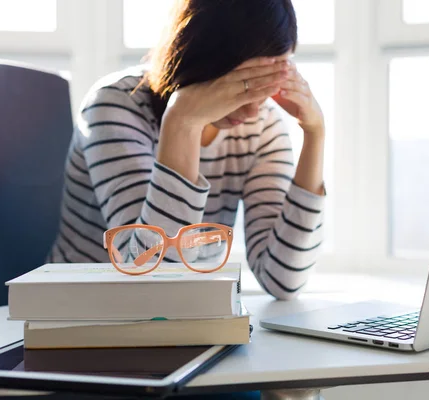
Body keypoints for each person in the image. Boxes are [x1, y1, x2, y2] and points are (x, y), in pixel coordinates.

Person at [48, 0, 326, 301]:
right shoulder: (114, 104)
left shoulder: (261, 125)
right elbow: (149, 278)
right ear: (201, 61)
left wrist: (315, 133)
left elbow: (284, 278)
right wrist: (182, 123)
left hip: (180, 315)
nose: (252, 109)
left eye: (267, 85)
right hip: (81, 309)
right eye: (243, 85)